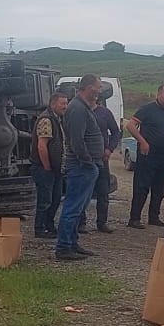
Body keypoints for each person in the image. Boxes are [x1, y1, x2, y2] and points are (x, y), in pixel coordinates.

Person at [56, 74, 104, 261]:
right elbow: (77, 141)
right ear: (89, 88)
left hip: (85, 165)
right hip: (81, 166)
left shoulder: (82, 107)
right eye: (98, 88)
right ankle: (63, 248)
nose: (100, 91)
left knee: (79, 207)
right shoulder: (77, 109)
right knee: (73, 206)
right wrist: (88, 162)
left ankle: (72, 243)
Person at [125, 84, 164, 230]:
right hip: (148, 153)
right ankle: (134, 218)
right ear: (159, 94)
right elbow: (130, 125)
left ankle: (154, 217)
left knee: (160, 188)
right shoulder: (147, 109)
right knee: (142, 187)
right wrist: (142, 142)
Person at [31, 92, 69, 239]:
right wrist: (47, 167)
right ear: (53, 104)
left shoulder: (58, 119)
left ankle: (49, 226)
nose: (65, 106)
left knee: (55, 198)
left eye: (66, 103)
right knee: (45, 200)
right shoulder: (46, 120)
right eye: (62, 103)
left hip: (55, 169)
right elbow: (42, 146)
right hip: (44, 168)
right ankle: (39, 229)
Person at [88, 89, 122, 233]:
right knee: (84, 191)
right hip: (85, 158)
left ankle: (102, 222)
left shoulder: (105, 113)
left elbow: (116, 132)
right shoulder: (79, 112)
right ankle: (81, 223)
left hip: (102, 159)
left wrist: (109, 149)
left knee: (103, 192)